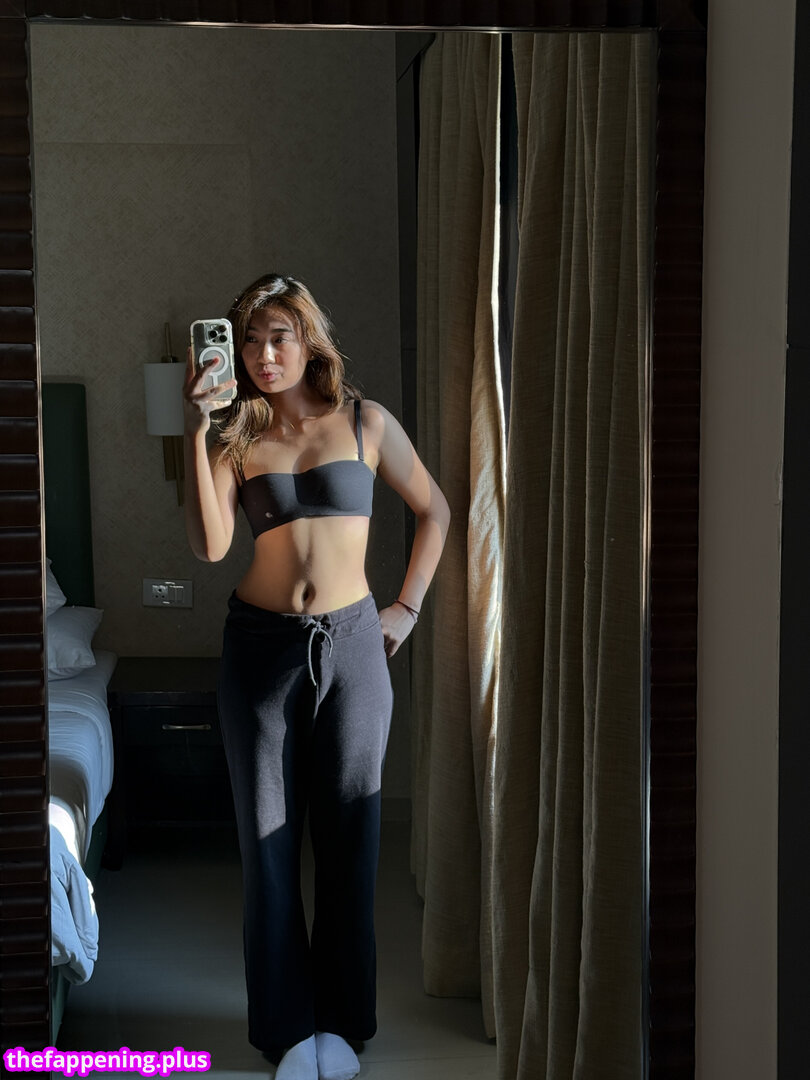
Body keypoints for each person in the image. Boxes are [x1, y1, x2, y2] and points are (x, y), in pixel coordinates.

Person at [182, 274, 450, 1080]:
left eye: (280, 337)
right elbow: (209, 546)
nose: (264, 354)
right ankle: (285, 1031)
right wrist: (197, 430)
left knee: (351, 841)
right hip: (260, 651)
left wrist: (406, 608)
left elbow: (435, 510)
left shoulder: (367, 422)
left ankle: (343, 1023)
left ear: (309, 341)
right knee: (267, 847)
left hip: (355, 647)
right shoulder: (236, 438)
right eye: (251, 339)